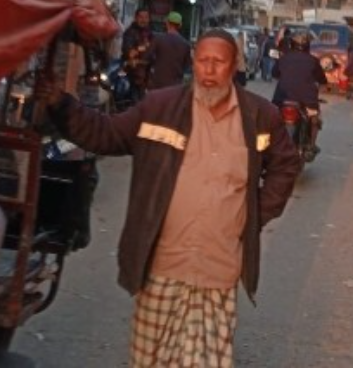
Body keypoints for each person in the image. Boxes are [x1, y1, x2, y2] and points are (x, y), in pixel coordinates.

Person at [42, 29, 302, 367]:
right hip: (163, 266)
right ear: (193, 63)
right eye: (202, 61)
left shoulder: (259, 116)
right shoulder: (159, 107)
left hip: (218, 271)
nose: (209, 70)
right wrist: (61, 106)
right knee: (149, 361)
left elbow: (286, 165)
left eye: (218, 62)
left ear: (235, 65)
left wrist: (255, 216)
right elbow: (105, 134)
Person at [271, 33, 326, 110]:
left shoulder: (283, 58)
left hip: (281, 99)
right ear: (308, 46)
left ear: (292, 45)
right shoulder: (313, 60)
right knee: (314, 118)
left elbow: (274, 73)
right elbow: (322, 80)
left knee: (273, 116)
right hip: (308, 100)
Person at [148, 12, 191, 90]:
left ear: (167, 23)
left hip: (158, 82)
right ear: (180, 25)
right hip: (175, 85)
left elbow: (147, 56)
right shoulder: (186, 44)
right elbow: (187, 66)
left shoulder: (158, 39)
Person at [121, 8, 154, 100]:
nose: (143, 20)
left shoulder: (149, 33)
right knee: (134, 99)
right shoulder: (130, 32)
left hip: (147, 73)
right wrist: (143, 48)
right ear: (135, 18)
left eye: (146, 17)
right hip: (133, 72)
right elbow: (129, 52)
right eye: (141, 17)